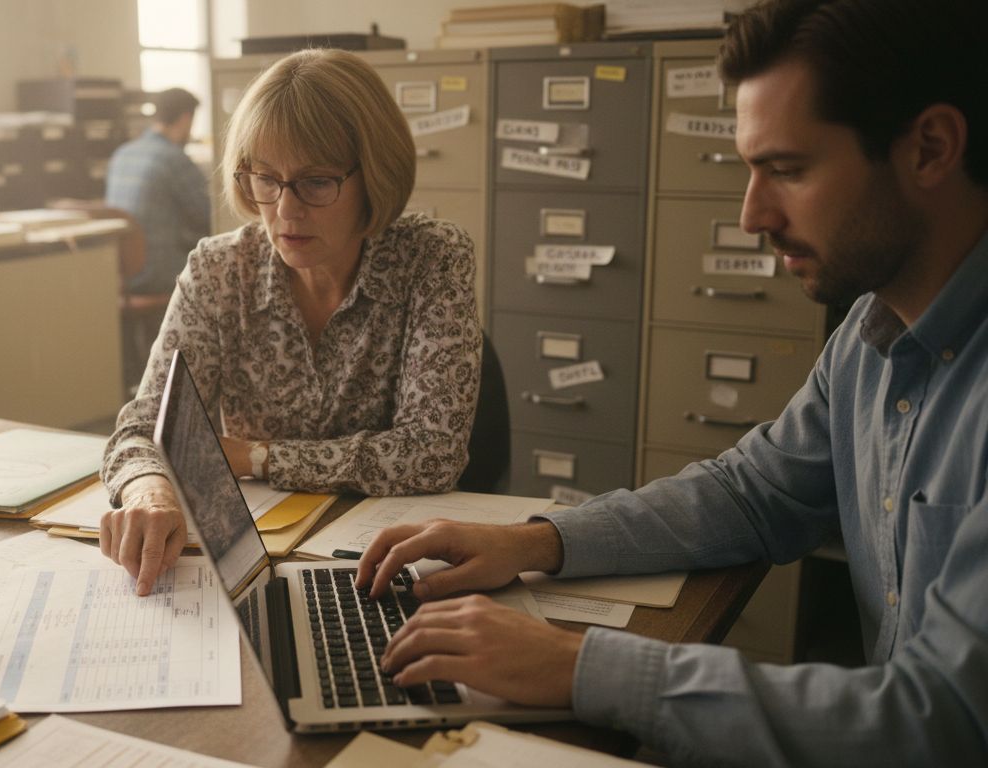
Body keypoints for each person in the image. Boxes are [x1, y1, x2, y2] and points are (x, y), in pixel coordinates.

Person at [357, 0, 988, 764]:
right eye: (750, 168)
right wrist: (533, 541)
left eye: (787, 169)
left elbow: (943, 719)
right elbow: (751, 493)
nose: (753, 214)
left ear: (930, 148)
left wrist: (575, 665)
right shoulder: (869, 331)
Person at [100, 49, 483, 596]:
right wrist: (150, 490)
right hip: (262, 555)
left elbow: (432, 453)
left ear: (374, 175)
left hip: (387, 563)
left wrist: (257, 457)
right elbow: (142, 428)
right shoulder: (218, 269)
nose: (285, 209)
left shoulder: (432, 257)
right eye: (265, 179)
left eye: (316, 182)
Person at [105, 87, 211, 297]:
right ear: (186, 118)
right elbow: (208, 217)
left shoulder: (122, 154)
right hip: (158, 273)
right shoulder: (174, 159)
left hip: (121, 272)